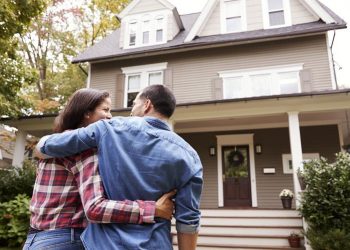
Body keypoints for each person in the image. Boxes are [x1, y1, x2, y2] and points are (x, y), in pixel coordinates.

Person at [38, 85, 203, 250]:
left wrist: (40, 146)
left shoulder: (109, 128)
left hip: (106, 245)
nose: (131, 112)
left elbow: (51, 145)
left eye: (134, 105)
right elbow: (188, 220)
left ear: (147, 105)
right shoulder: (190, 156)